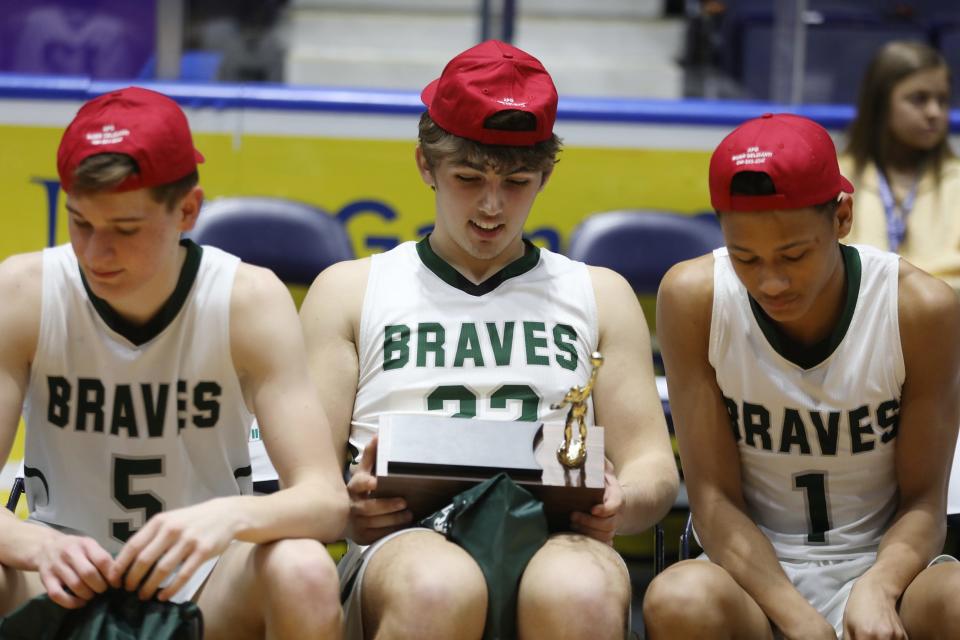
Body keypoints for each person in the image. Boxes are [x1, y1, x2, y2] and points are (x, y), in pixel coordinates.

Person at [298, 40, 679, 639]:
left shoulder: (599, 293)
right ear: (426, 166)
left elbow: (655, 468)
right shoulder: (348, 291)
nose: (491, 206)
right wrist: (350, 505)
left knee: (581, 590)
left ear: (546, 175)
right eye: (468, 178)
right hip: (403, 545)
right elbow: (302, 474)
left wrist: (620, 500)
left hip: (555, 539)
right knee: (437, 585)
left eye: (519, 182)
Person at [0, 87, 349, 639]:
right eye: (80, 223)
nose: (95, 253)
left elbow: (326, 500)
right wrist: (30, 541)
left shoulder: (247, 300)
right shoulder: (22, 291)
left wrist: (229, 516)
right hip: (60, 568)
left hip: (205, 576)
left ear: (187, 210)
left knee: (303, 568)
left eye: (125, 229)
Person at [643, 112, 960, 639]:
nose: (771, 281)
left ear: (842, 217)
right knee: (679, 598)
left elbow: (925, 502)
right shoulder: (693, 297)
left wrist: (879, 588)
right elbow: (715, 501)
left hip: (887, 571)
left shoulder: (920, 308)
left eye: (794, 255)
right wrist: (801, 621)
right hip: (752, 577)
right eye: (745, 257)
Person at [841, 40, 960, 289]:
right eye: (919, 99)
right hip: (861, 324)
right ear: (880, 104)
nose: (934, 112)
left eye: (942, 100)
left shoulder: (957, 178)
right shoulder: (837, 176)